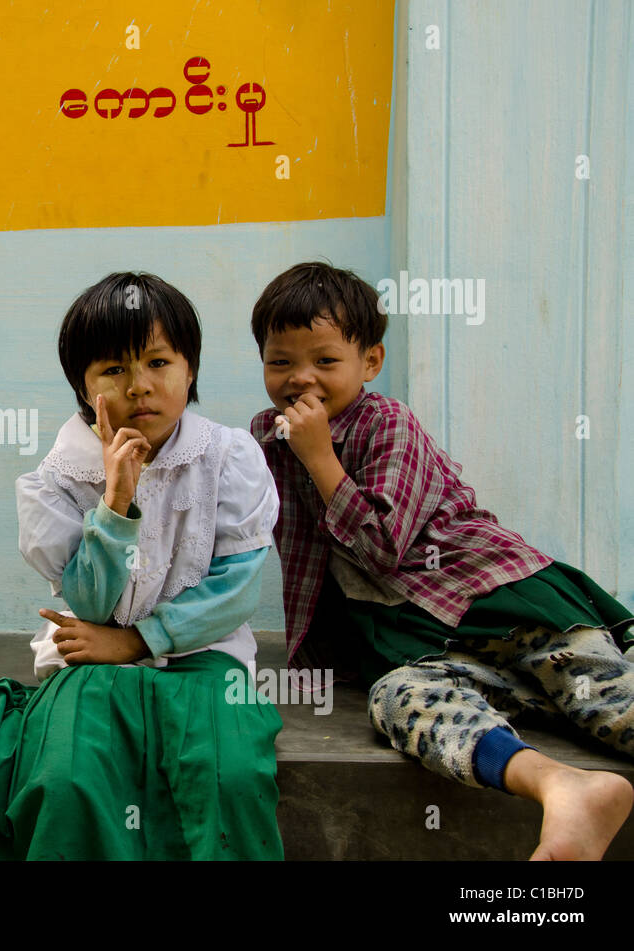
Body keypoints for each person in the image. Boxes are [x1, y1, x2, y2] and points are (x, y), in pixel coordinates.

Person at [0, 272, 284, 859]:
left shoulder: (230, 457)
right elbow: (89, 605)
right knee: (65, 780)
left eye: (159, 362)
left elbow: (237, 594)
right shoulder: (55, 481)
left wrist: (138, 642)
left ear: (190, 369)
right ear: (84, 389)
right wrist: (116, 503)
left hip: (204, 656)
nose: (140, 386)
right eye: (114, 370)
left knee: (228, 777)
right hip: (88, 652)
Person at [248, 260, 634, 860]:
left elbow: (382, 550)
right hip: (428, 648)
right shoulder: (267, 438)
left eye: (325, 360)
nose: (302, 379)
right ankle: (562, 787)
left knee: (604, 705)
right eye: (281, 362)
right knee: (399, 701)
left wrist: (321, 457)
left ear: (369, 362)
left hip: (498, 603)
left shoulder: (387, 423)